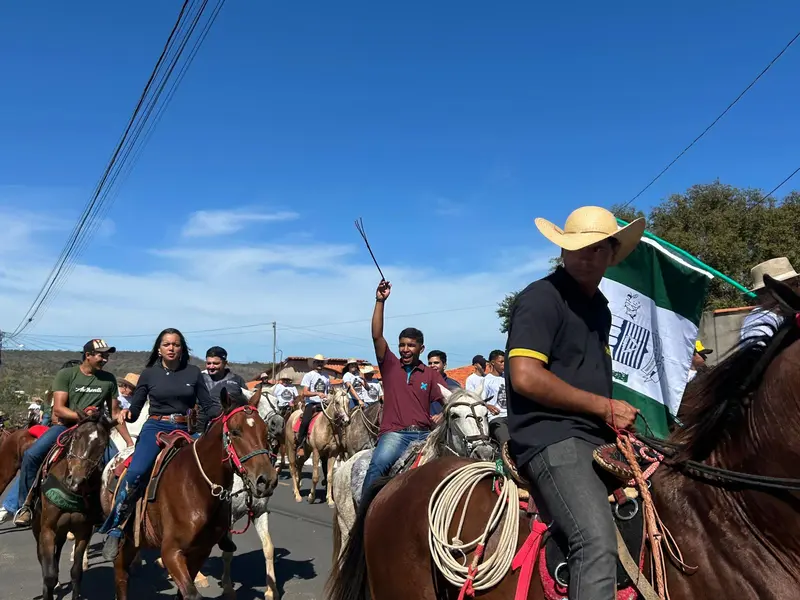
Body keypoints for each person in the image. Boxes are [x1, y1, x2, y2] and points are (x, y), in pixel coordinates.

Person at [506, 206, 645, 600]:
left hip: (595, 436)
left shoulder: (600, 308)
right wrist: (604, 407)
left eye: (598, 248)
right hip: (552, 436)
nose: (588, 255)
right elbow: (525, 375)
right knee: (595, 542)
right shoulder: (541, 297)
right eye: (579, 247)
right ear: (563, 250)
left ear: (612, 254)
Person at [99, 328, 221, 560]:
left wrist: (227, 412)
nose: (171, 348)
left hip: (185, 429)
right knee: (136, 472)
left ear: (182, 348)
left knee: (213, 468)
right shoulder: (149, 374)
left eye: (176, 344)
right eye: (167, 344)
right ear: (159, 349)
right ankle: (116, 527)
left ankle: (220, 525)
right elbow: (136, 408)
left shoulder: (193, 373)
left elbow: (208, 405)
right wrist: (127, 414)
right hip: (156, 427)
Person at [11, 340, 123, 527]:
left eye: (107, 356)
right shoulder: (67, 375)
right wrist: (82, 417)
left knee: (115, 463)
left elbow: (114, 412)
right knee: (31, 455)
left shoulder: (108, 379)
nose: (105, 359)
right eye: (101, 355)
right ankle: (25, 505)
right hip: (66, 426)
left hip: (94, 430)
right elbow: (59, 409)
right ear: (88, 355)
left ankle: (104, 510)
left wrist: (128, 443)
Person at [361, 280, 447, 501]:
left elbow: (451, 401)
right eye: (402, 345)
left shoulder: (430, 374)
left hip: (425, 435)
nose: (405, 349)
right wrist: (380, 301)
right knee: (377, 466)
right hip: (394, 434)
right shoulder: (390, 365)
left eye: (411, 345)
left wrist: (443, 414)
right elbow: (377, 336)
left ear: (421, 348)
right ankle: (364, 516)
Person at [740, 257, 800, 344]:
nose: (799, 288)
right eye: (794, 284)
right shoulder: (761, 321)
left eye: (798, 283)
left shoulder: (789, 313)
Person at [200, 346, 247, 433]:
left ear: (225, 363)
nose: (211, 367)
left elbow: (246, 405)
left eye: (216, 363)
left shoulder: (237, 380)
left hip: (231, 428)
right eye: (208, 363)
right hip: (202, 429)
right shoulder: (199, 379)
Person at [296, 354, 330, 459]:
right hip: (312, 403)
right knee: (305, 422)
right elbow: (305, 392)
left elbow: (328, 390)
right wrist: (317, 393)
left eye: (321, 362)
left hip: (324, 403)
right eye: (318, 362)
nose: (320, 364)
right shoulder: (309, 375)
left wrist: (329, 396)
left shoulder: (326, 376)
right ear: (314, 363)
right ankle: (300, 445)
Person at [481, 350, 508, 446]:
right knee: (506, 442)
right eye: (501, 362)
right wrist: (488, 406)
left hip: (511, 417)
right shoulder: (486, 380)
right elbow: (480, 401)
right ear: (493, 363)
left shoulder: (507, 378)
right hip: (496, 418)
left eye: (505, 361)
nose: (504, 364)